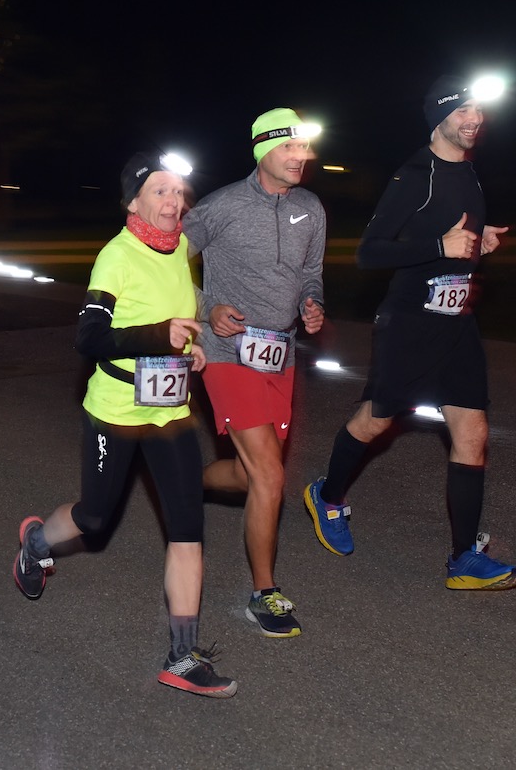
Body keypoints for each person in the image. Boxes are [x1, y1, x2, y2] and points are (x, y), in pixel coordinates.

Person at [12, 151, 236, 698]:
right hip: (116, 411)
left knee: (187, 529)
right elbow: (88, 339)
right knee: (94, 517)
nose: (173, 202)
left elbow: (177, 312)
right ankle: (37, 541)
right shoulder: (115, 256)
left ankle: (183, 656)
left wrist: (192, 348)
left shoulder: (181, 246)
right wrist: (160, 335)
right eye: (160, 191)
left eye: (178, 192)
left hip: (172, 411)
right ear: (133, 200)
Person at [303, 74, 516, 591]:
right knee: (376, 423)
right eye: (464, 111)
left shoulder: (469, 172)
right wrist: (439, 248)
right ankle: (327, 496)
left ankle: (463, 557)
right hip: (409, 323)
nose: (475, 120)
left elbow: (450, 233)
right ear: (438, 117)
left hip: (456, 324)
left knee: (473, 432)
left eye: (479, 112)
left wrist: (476, 241)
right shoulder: (413, 175)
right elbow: (369, 252)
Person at [181, 109, 326, 639]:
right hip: (225, 352)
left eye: (305, 148)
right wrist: (205, 306)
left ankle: (188, 484)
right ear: (263, 148)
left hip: (279, 353)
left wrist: (312, 302)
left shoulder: (311, 208)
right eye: (290, 148)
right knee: (269, 475)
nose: (301, 158)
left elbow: (311, 274)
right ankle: (264, 593)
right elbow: (166, 261)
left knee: (249, 475)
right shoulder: (221, 206)